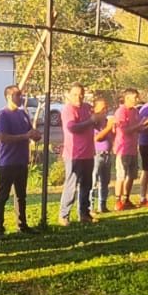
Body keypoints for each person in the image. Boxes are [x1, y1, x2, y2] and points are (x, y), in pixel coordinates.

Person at [0, 84, 42, 235]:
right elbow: (3, 137)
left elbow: (29, 133)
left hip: (22, 160)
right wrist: (24, 137)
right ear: (8, 96)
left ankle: (22, 224)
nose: (21, 98)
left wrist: (35, 136)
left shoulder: (23, 114)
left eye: (21, 95)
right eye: (17, 95)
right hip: (8, 162)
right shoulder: (3, 114)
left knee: (21, 195)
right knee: (3, 195)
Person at [59, 83, 97, 225]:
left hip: (88, 152)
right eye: (75, 94)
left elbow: (95, 123)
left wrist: (98, 119)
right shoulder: (68, 109)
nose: (78, 97)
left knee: (86, 185)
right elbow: (72, 127)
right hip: (74, 154)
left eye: (81, 94)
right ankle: (64, 215)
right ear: (68, 95)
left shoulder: (87, 108)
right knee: (71, 185)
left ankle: (84, 213)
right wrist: (90, 121)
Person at [112, 88, 148, 210]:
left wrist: (147, 125)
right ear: (127, 98)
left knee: (131, 175)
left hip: (133, 148)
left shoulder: (135, 111)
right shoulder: (121, 112)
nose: (137, 100)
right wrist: (139, 125)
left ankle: (126, 199)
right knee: (121, 175)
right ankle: (118, 201)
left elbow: (137, 128)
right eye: (135, 97)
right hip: (123, 149)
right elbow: (124, 130)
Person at [92, 94, 115, 215]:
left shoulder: (107, 122)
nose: (104, 111)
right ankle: (90, 207)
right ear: (95, 109)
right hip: (97, 154)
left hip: (107, 154)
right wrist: (109, 128)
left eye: (106, 108)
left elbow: (111, 136)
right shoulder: (94, 123)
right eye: (101, 108)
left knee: (105, 182)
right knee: (93, 181)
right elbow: (97, 138)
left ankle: (103, 205)